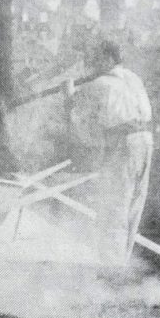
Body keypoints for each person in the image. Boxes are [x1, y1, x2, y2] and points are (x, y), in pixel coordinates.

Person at [65, 39, 154, 265]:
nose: (91, 64)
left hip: (122, 144)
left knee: (114, 208)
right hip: (146, 141)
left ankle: (111, 270)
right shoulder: (133, 78)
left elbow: (78, 120)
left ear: (107, 58)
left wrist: (69, 96)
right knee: (133, 206)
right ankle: (121, 263)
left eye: (95, 58)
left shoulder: (99, 84)